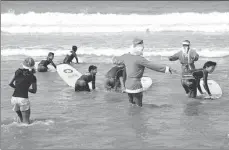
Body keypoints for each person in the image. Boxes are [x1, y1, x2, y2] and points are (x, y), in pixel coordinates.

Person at [112, 38, 176, 107]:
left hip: (128, 85)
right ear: (139, 49)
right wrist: (167, 69)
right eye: (142, 49)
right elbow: (153, 66)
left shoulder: (126, 56)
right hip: (136, 85)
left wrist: (114, 59)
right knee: (139, 106)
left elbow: (116, 60)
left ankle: (130, 115)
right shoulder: (140, 59)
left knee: (131, 104)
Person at [9, 57, 37, 124]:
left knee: (21, 119)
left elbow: (10, 83)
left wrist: (18, 88)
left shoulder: (17, 72)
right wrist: (27, 89)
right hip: (23, 100)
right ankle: (25, 134)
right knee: (26, 123)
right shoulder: (33, 77)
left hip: (14, 99)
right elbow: (34, 91)